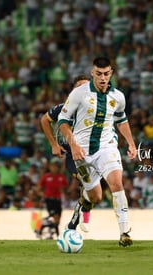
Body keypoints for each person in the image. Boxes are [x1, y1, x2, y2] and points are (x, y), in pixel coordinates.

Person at [58, 57, 137, 247]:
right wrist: (73, 145)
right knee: (95, 196)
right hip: (82, 152)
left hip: (107, 146)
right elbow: (62, 121)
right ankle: (84, 200)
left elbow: (122, 120)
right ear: (93, 73)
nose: (103, 78)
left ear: (111, 74)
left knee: (117, 183)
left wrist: (131, 144)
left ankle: (124, 232)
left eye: (106, 74)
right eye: (99, 73)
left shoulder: (118, 96)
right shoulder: (79, 93)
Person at [40, 74, 93, 233]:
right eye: (79, 87)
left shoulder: (96, 109)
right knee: (85, 180)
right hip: (72, 153)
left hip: (93, 151)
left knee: (93, 186)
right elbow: (44, 120)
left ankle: (80, 216)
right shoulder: (64, 108)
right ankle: (75, 222)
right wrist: (53, 144)